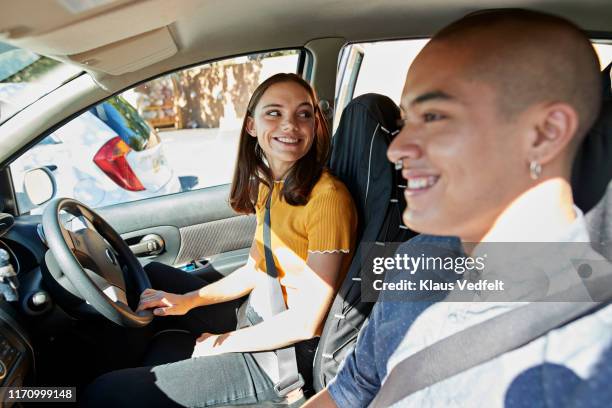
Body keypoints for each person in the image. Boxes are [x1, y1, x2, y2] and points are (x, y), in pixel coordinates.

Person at [305, 9, 612, 407]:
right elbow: (350, 391)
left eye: (434, 116)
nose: (396, 149)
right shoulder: (417, 259)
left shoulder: (585, 361)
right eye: (406, 121)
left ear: (545, 134)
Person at [80, 73, 358, 407]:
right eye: (275, 113)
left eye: (304, 114)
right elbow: (256, 270)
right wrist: (189, 300)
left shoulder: (328, 199)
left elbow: (306, 321)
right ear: (252, 126)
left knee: (103, 393)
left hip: (284, 356)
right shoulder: (272, 185)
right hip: (261, 311)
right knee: (150, 276)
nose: (291, 125)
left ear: (316, 125)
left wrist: (223, 342)